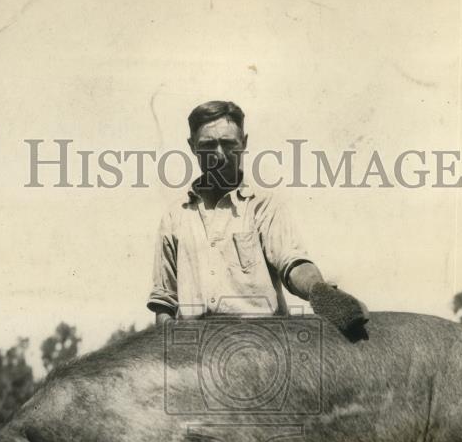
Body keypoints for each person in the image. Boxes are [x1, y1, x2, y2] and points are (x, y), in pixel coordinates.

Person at [146, 100, 368, 338]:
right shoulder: (175, 216)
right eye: (208, 145)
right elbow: (164, 302)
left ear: (244, 144)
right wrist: (168, 348)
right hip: (196, 352)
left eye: (229, 143)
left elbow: (292, 262)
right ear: (192, 147)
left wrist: (319, 291)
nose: (219, 154)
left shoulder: (264, 206)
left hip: (262, 345)